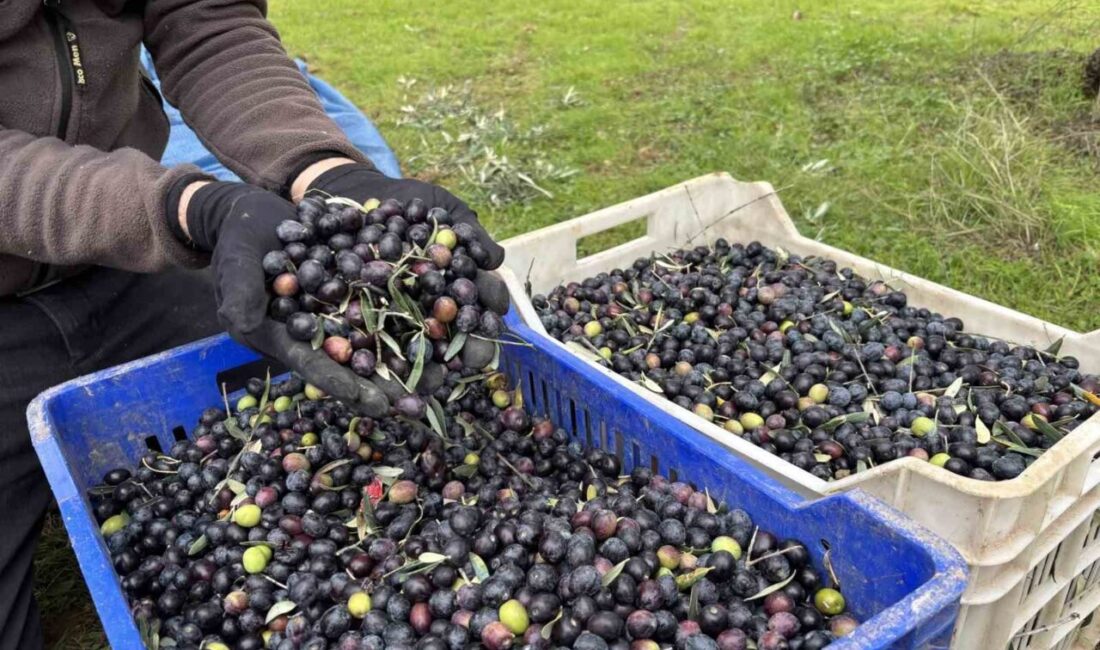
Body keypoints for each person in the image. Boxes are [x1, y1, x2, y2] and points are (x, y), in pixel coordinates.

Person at [0, 2, 504, 647]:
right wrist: (187, 206)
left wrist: (324, 172)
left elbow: (205, 20)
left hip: (123, 261)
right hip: (93, 236)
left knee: (287, 408)